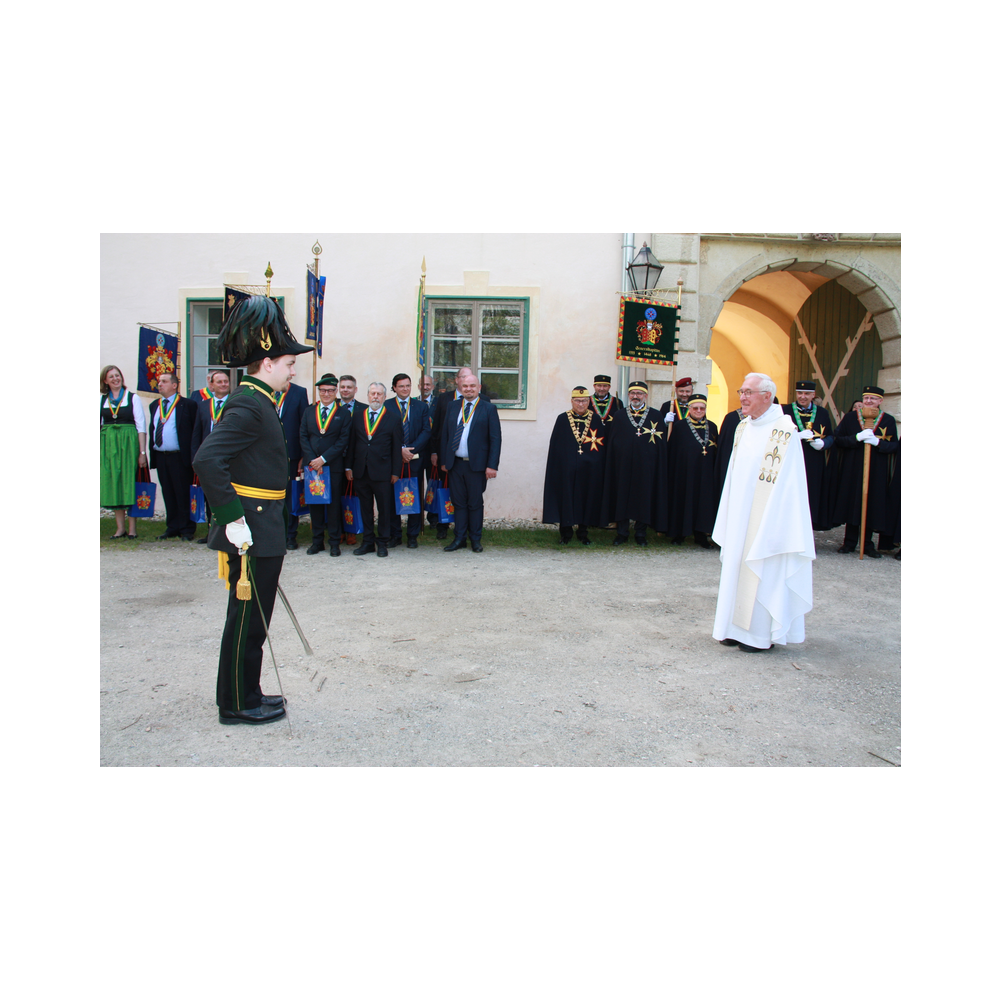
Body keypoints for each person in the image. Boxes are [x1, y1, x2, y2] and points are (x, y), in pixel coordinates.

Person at [192, 295, 314, 725]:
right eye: (288, 363)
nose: (292, 369)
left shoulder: (261, 401)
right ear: (267, 364)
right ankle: (236, 704)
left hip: (263, 525)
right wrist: (232, 518)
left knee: (254, 621)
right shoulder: (248, 402)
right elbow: (207, 460)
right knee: (246, 620)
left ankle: (249, 691)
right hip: (250, 527)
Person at [712, 373, 815, 653]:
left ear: (767, 396)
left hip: (767, 519)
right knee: (735, 566)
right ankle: (731, 628)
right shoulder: (743, 427)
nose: (742, 397)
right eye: (741, 391)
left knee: (760, 570)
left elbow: (790, 485)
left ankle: (757, 635)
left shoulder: (784, 430)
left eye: (749, 392)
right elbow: (734, 473)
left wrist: (772, 521)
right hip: (739, 516)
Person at [830, 386, 899, 558]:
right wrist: (856, 438)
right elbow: (838, 440)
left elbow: (894, 446)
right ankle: (849, 542)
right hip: (852, 469)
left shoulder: (888, 420)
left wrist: (878, 443)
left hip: (876, 471)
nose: (869, 401)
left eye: (873, 398)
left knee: (871, 504)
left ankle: (867, 544)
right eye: (866, 398)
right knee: (852, 503)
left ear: (880, 401)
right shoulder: (851, 418)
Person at [600, 380, 669, 546]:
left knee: (643, 498)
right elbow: (613, 441)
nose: (636, 396)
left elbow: (660, 444)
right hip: (623, 466)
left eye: (639, 393)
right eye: (632, 393)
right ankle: (622, 533)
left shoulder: (655, 415)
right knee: (622, 497)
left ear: (645, 395)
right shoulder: (620, 415)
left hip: (646, 466)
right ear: (629, 395)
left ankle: (640, 533)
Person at [440, 371, 502, 552]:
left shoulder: (488, 408)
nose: (469, 389)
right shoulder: (452, 406)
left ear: (479, 388)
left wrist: (492, 465)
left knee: (474, 503)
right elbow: (445, 435)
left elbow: (495, 439)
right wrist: (445, 460)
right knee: (458, 502)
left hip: (477, 465)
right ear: (460, 387)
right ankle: (459, 538)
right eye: (465, 386)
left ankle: (475, 539)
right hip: (455, 464)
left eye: (472, 386)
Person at [542, 386, 607, 545]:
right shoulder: (562, 419)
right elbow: (556, 446)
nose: (580, 404)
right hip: (566, 469)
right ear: (571, 401)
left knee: (586, 499)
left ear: (588, 401)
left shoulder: (596, 419)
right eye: (577, 401)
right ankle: (566, 533)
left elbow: (601, 445)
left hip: (588, 469)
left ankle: (583, 533)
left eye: (584, 401)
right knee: (566, 499)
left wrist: (593, 462)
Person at [345, 382, 403, 557]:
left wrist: (395, 472)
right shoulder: (357, 416)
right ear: (368, 396)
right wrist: (348, 466)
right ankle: (368, 542)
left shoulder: (393, 417)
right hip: (361, 471)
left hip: (383, 472)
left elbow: (396, 447)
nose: (375, 397)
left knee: (384, 509)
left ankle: (383, 542)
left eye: (379, 394)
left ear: (384, 397)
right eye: (372, 393)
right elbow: (351, 444)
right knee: (365, 508)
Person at [299, 373, 351, 556]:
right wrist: (314, 460)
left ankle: (335, 542)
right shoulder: (308, 411)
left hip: (332, 466)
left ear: (336, 391)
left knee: (334, 505)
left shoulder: (343, 414)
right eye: (323, 390)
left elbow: (343, 440)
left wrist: (323, 459)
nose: (326, 394)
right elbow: (303, 437)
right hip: (313, 467)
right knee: (315, 505)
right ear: (319, 392)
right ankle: (317, 541)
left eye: (330, 390)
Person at [149, 371, 198, 540]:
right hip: (161, 455)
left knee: (182, 492)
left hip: (180, 456)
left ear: (174, 385)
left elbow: (193, 431)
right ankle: (172, 526)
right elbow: (153, 428)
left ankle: (186, 528)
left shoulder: (187, 405)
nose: (159, 384)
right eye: (159, 381)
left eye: (163, 381)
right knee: (168, 491)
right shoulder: (155, 405)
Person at [664, 392, 718, 547]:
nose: (699, 411)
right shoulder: (680, 427)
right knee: (684, 502)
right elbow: (673, 451)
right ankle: (680, 534)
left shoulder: (712, 426)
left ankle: (701, 535)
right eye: (695, 408)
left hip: (706, 474)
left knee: (704, 504)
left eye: (702, 408)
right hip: (685, 473)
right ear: (689, 408)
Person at [100, 364, 148, 540]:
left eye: (117, 375)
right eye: (111, 376)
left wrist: (142, 452)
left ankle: (132, 528)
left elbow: (141, 427)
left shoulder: (132, 398)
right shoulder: (102, 400)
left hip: (128, 446)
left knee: (129, 483)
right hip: (109, 447)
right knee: (115, 484)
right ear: (105, 380)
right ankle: (120, 528)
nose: (115, 379)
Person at [782, 380, 835, 530]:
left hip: (814, 462)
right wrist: (795, 437)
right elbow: (776, 436)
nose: (802, 396)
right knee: (791, 497)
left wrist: (824, 444)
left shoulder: (822, 413)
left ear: (813, 395)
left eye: (806, 394)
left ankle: (808, 535)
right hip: (791, 462)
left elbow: (831, 436)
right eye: (800, 393)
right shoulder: (785, 411)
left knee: (811, 497)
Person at [388, 373, 431, 549]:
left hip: (414, 460)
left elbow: (426, 431)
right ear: (394, 388)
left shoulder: (421, 406)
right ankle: (395, 534)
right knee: (392, 497)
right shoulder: (387, 405)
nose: (405, 389)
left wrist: (410, 450)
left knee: (414, 495)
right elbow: (384, 432)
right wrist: (400, 450)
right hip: (393, 461)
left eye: (408, 386)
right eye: (401, 386)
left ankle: (412, 535)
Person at [190, 370, 230, 543]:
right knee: (209, 497)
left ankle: (229, 532)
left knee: (227, 495)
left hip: (228, 458)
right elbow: (196, 434)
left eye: (226, 381)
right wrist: (195, 459)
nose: (223, 384)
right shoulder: (203, 406)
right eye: (219, 382)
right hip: (208, 459)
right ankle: (211, 532)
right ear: (211, 385)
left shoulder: (234, 404)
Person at [278, 366, 310, 550]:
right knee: (272, 498)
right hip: (269, 456)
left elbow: (303, 426)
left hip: (291, 455)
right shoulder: (267, 392)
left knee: (290, 496)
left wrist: (303, 455)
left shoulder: (299, 392)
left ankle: (291, 535)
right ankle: (275, 534)